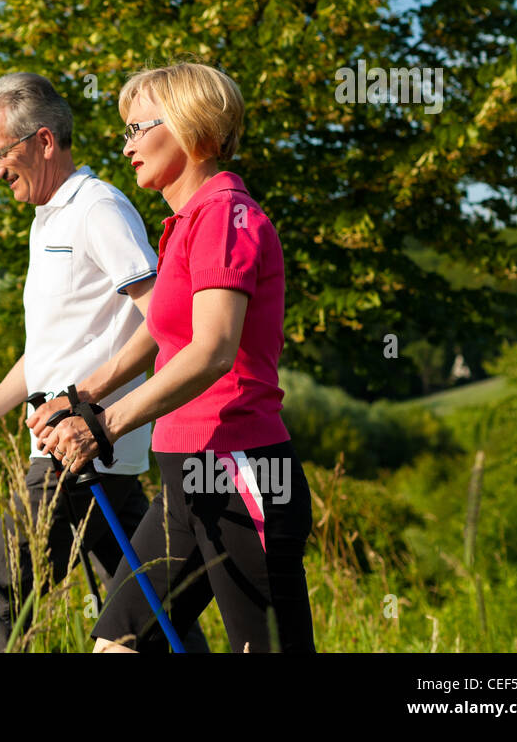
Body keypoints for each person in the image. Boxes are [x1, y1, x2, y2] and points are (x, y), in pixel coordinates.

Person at [0, 71, 207, 653]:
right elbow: (45, 354)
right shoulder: (47, 218)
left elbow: (166, 320)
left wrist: (85, 400)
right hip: (92, 450)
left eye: (1, 153)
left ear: (44, 141)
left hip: (81, 451)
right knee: (144, 609)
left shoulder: (98, 208)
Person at [36, 61, 316, 653]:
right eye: (126, 132)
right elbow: (163, 334)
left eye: (139, 128)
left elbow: (213, 349)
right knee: (117, 645)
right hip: (186, 476)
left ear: (192, 128)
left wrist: (105, 425)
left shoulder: (224, 217)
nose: (128, 146)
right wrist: (80, 396)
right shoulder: (185, 223)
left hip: (241, 470)